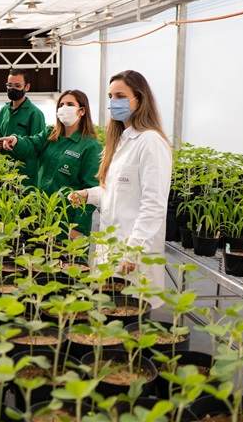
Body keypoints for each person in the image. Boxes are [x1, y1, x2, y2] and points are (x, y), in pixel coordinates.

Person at [69, 70, 172, 306]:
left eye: (120, 96)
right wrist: (89, 194)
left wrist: (133, 251)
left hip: (131, 252)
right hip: (111, 247)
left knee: (131, 323)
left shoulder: (150, 142)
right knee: (110, 318)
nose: (114, 103)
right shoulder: (123, 139)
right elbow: (115, 191)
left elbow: (153, 204)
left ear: (139, 98)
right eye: (111, 96)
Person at [1, 89, 101, 236]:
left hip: (67, 221)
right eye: (61, 104)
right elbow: (32, 144)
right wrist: (16, 140)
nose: (64, 108)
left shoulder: (90, 146)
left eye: (70, 104)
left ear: (82, 111)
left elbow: (91, 189)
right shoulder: (50, 134)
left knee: (65, 258)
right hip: (42, 214)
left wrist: (78, 228)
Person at [0, 69, 46, 185]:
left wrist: (16, 144)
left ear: (26, 87)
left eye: (17, 86)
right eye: (9, 85)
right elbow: (1, 134)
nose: (12, 89)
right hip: (3, 171)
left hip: (24, 176)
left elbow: (38, 147)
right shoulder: (4, 110)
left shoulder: (35, 114)